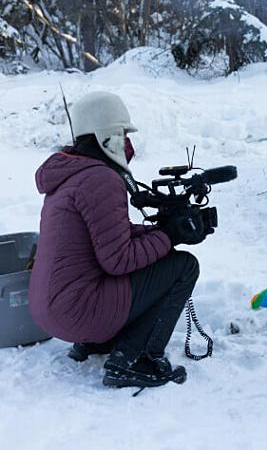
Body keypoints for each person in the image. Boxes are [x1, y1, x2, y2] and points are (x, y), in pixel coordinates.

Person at [29, 91, 209, 389]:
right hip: (77, 312)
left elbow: (109, 235)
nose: (127, 143)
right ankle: (135, 360)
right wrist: (169, 236)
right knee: (183, 266)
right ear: (106, 136)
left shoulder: (73, 174)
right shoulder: (101, 178)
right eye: (123, 134)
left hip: (53, 310)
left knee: (157, 260)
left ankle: (95, 343)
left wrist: (160, 231)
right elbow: (119, 259)